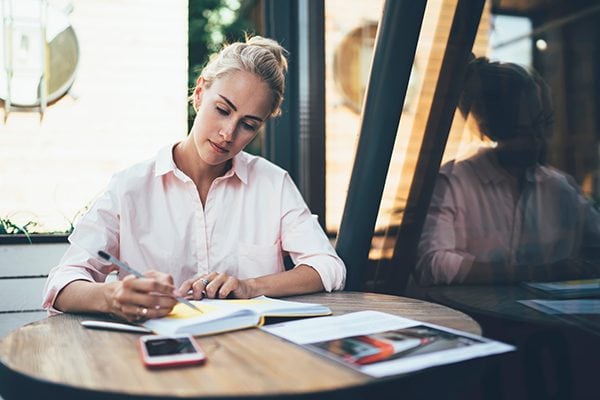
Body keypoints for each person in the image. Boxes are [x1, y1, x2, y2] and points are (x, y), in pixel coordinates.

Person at [43, 36, 346, 322]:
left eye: (248, 125)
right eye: (222, 110)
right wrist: (113, 296)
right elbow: (61, 285)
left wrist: (250, 287)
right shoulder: (131, 188)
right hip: (157, 358)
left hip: (252, 356)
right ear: (200, 92)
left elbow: (329, 267)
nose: (228, 133)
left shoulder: (272, 184)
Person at [414, 57, 600, 286]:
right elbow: (433, 263)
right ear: (490, 130)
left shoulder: (560, 188)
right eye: (522, 132)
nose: (537, 141)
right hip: (472, 318)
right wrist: (537, 272)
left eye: (541, 125)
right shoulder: (454, 183)